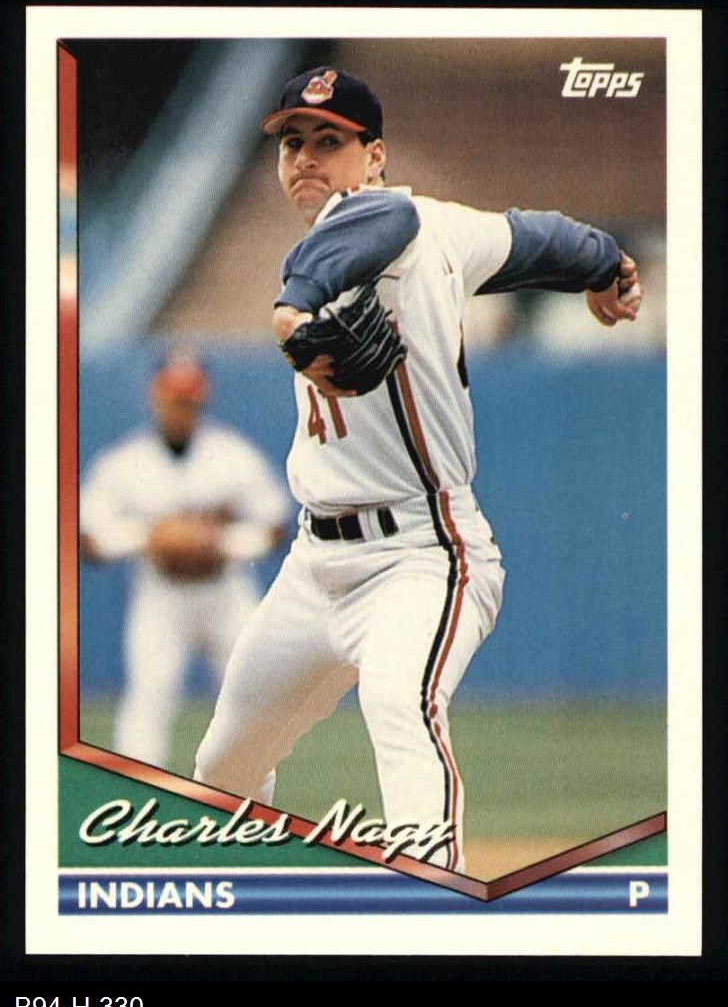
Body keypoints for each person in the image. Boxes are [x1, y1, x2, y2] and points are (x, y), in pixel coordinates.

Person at [194, 67, 643, 871]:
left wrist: (293, 312)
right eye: (292, 143)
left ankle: (432, 909)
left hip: (422, 555)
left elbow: (389, 223)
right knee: (222, 766)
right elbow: (536, 238)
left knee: (400, 704)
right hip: (314, 567)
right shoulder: (431, 231)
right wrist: (603, 263)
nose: (304, 157)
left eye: (329, 141)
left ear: (376, 156)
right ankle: (246, 894)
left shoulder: (393, 217)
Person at [80, 353, 291, 769]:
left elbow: (275, 525)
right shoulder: (126, 462)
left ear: (202, 399)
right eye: (174, 397)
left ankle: (249, 791)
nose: (181, 407)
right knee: (150, 695)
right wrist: (151, 537)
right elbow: (88, 538)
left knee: (250, 694)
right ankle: (137, 791)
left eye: (189, 399)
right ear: (156, 397)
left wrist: (219, 541)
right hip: (162, 594)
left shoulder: (230, 454)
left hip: (224, 591)